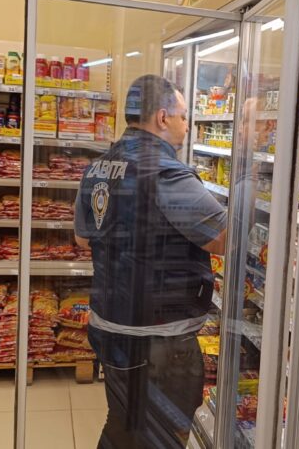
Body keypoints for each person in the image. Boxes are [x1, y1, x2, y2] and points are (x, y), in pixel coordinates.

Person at [74, 74, 227, 449]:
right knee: (159, 438)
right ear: (162, 117)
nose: (186, 125)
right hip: (156, 339)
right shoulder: (165, 173)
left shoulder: (99, 167)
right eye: (183, 116)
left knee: (124, 424)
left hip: (110, 323)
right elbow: (225, 239)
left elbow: (82, 236)